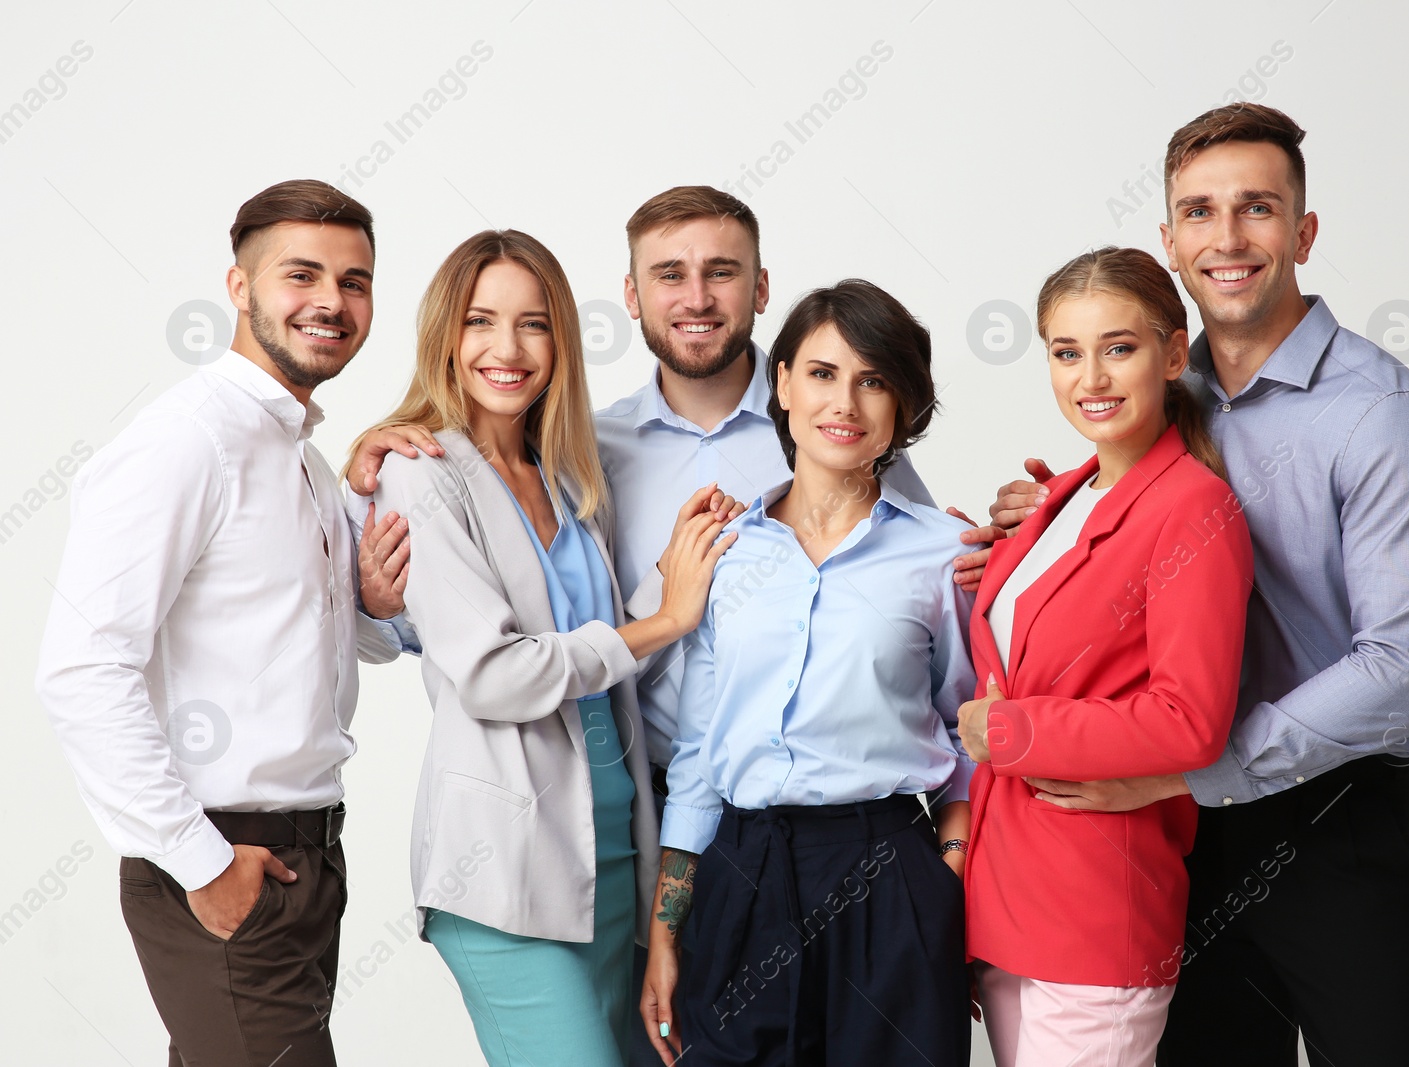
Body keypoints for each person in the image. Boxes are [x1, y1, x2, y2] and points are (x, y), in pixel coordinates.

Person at [344, 187, 989, 1064]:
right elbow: (470, 642)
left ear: (761, 290)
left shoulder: (833, 428)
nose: (695, 297)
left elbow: (941, 624)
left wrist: (1030, 528)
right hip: (661, 820)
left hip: (690, 834)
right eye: (670, 274)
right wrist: (382, 583)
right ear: (633, 293)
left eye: (721, 272)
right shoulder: (589, 450)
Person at [978, 104, 1409, 1066]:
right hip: (1174, 829)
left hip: (1328, 816)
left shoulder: (1384, 418)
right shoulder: (1154, 390)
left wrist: (1201, 768)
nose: (1228, 237)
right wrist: (1039, 523)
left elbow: (1404, 667)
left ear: (1304, 231)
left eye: (1257, 208)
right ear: (1169, 240)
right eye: (1200, 212)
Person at [348, 229, 739, 1067]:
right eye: (481, 321)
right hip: (506, 879)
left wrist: (676, 567)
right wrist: (662, 619)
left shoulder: (565, 473)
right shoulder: (421, 473)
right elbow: (494, 675)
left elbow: (587, 642)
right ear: (445, 336)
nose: (507, 348)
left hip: (610, 856)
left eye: (534, 324)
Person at [36, 180, 399, 1066]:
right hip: (224, 854)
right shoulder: (184, 442)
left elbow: (282, 638)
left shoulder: (306, 462)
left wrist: (371, 605)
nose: (331, 301)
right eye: (301, 274)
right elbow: (82, 669)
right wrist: (201, 862)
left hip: (311, 858)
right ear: (238, 288)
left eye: (354, 282)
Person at [642, 280, 976, 1067]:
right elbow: (697, 755)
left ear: (903, 404)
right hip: (740, 872)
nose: (846, 403)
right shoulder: (723, 551)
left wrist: (950, 879)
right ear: (782, 383)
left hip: (889, 873)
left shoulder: (945, 554)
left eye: (874, 379)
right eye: (824, 373)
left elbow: (974, 734)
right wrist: (664, 932)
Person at [955, 247, 1253, 1066]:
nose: (1092, 376)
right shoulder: (1057, 497)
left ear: (1174, 354)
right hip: (1008, 897)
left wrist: (1010, 731)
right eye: (1066, 352)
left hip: (1096, 908)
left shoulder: (1196, 506)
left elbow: (1190, 722)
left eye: (1118, 347)